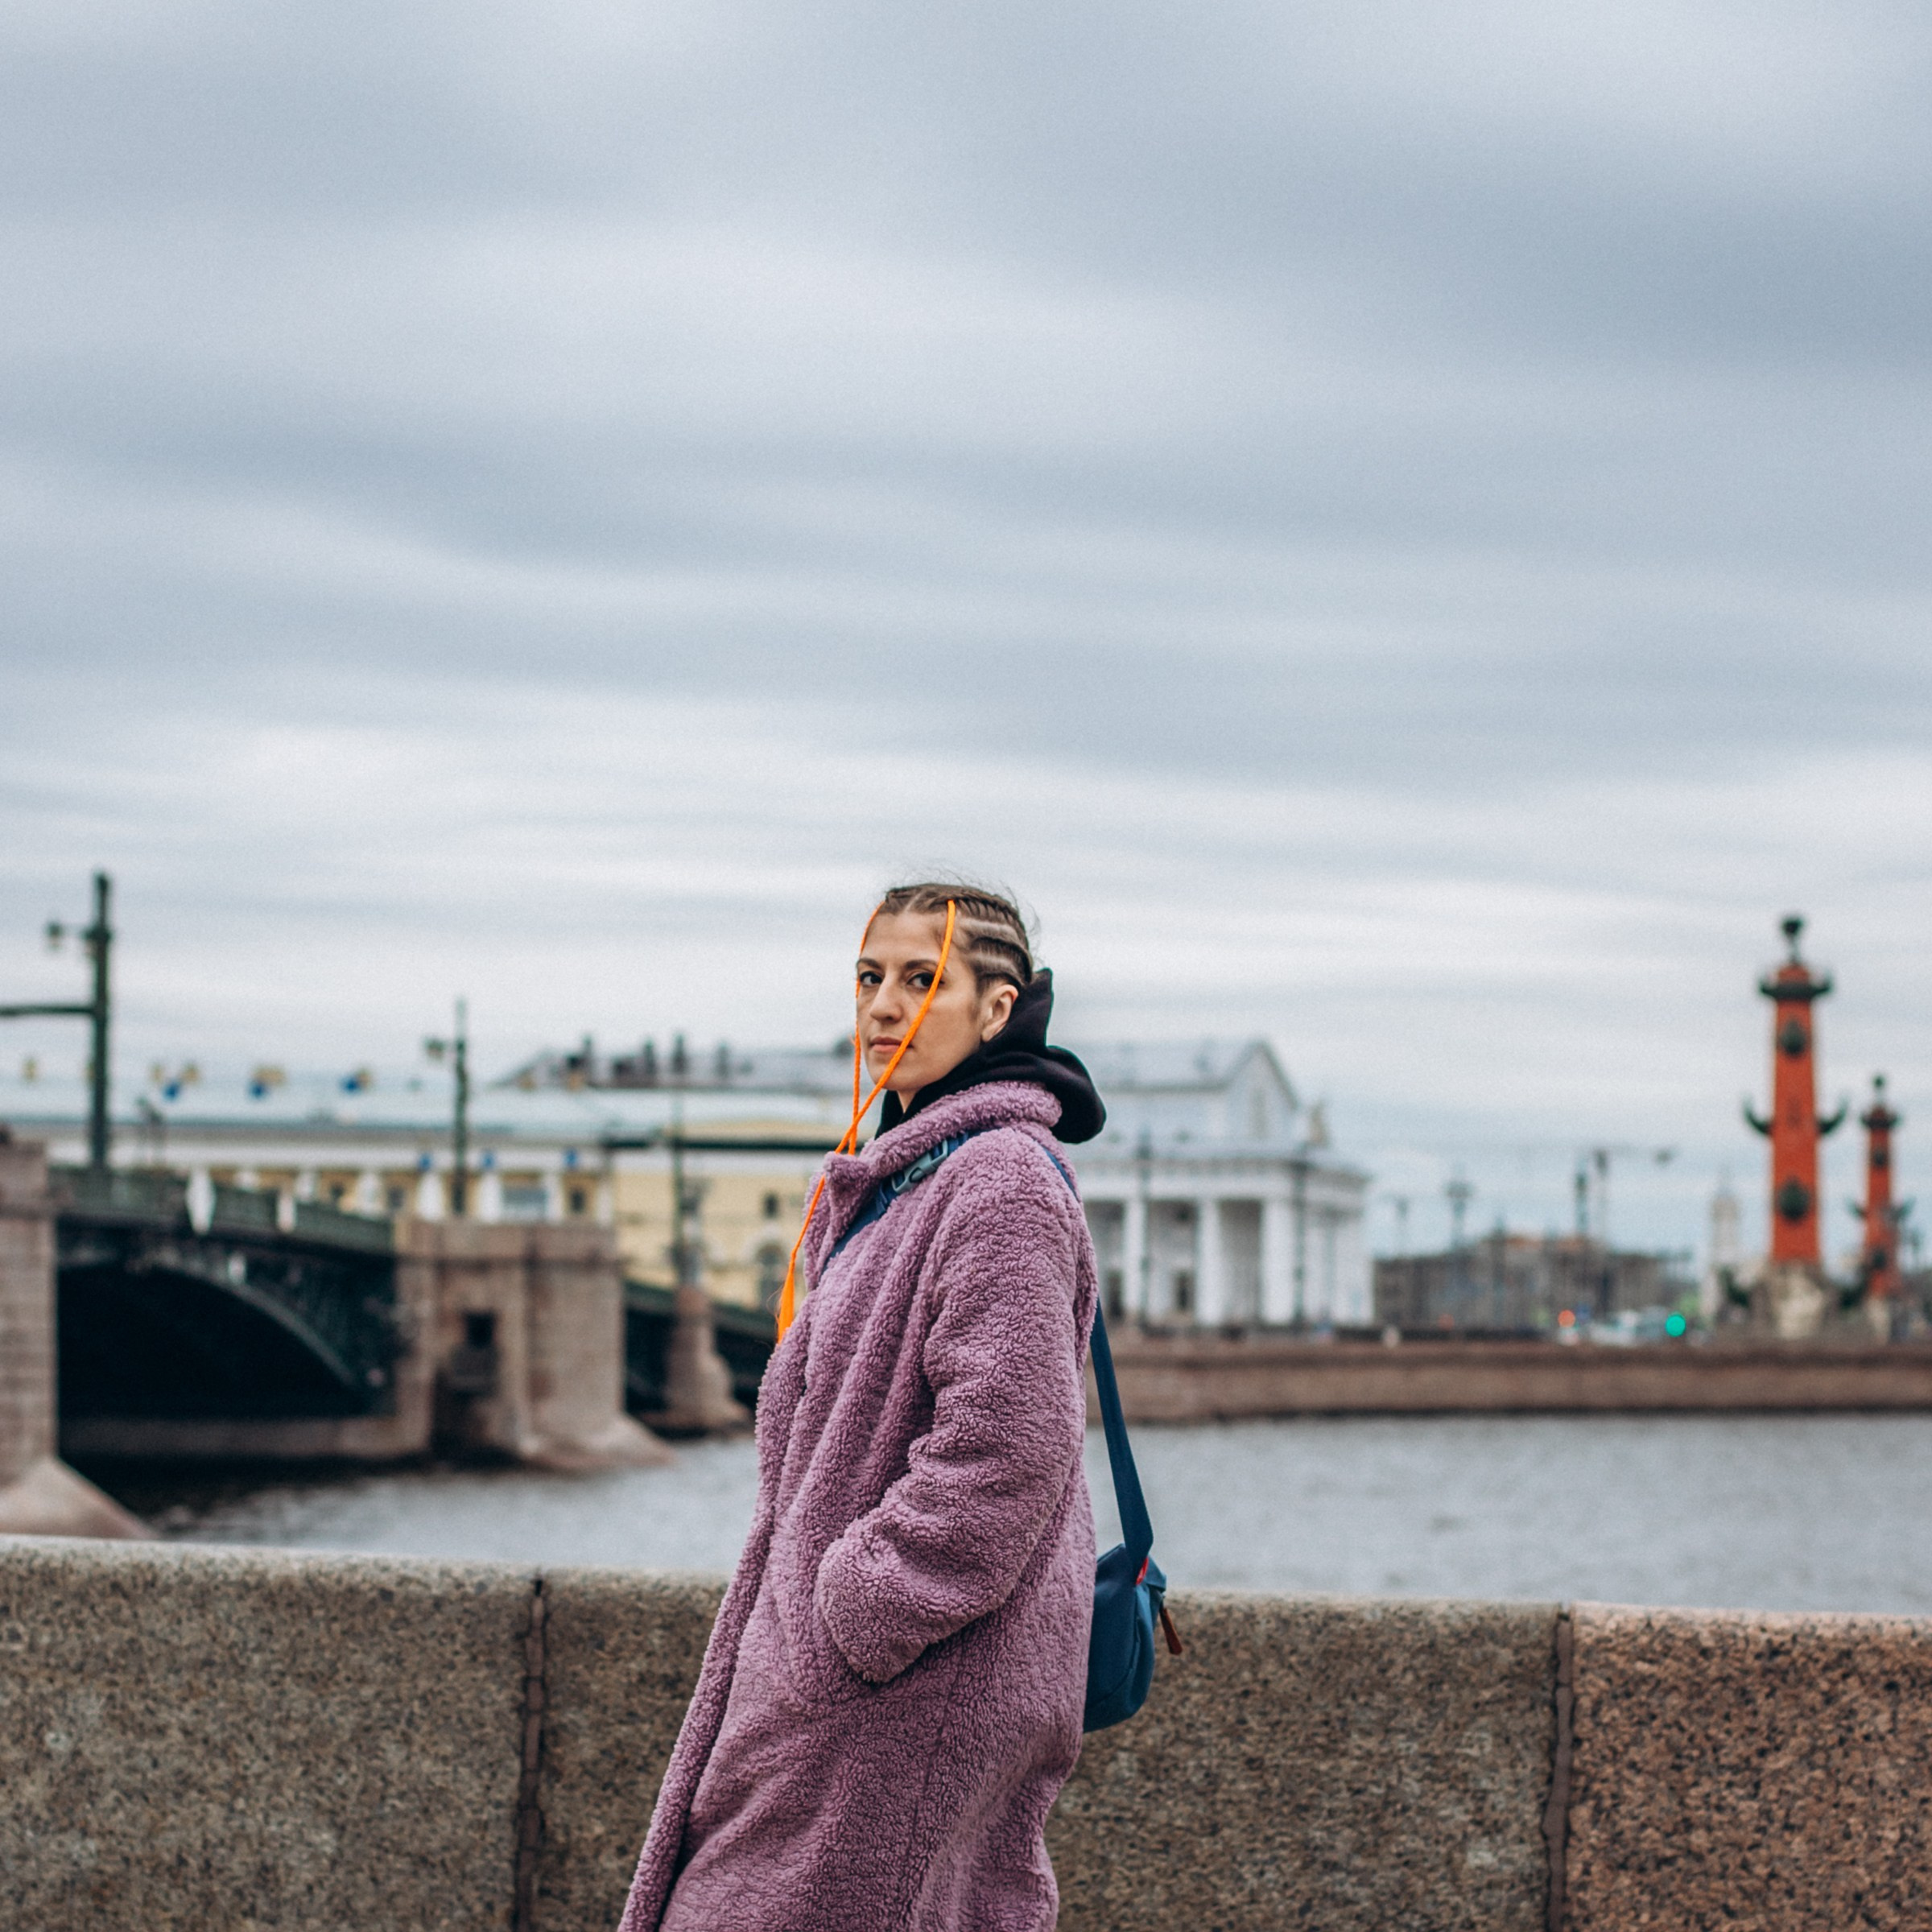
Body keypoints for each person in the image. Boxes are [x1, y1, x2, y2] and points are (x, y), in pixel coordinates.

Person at [617, 881, 1108, 1932]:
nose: (884, 1005)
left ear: (997, 1009)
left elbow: (1008, 1442)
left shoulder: (998, 1184)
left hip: (898, 1692)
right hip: (849, 1689)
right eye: (869, 976)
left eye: (923, 979)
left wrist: (859, 1610)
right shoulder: (909, 1175)